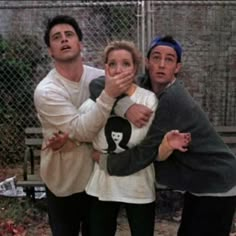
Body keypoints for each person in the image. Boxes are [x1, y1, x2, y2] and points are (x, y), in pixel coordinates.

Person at [94, 35, 236, 236]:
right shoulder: (143, 85)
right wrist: (127, 107)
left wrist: (107, 163)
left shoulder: (173, 99)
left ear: (177, 67)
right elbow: (98, 84)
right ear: (147, 62)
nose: (161, 64)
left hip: (216, 180)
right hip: (198, 183)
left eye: (169, 59)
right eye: (156, 57)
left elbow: (146, 152)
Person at [46, 40, 191, 236]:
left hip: (139, 187)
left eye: (125, 63)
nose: (118, 69)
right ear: (105, 68)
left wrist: (168, 144)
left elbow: (152, 152)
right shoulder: (97, 100)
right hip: (102, 186)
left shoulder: (148, 100)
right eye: (112, 64)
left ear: (135, 68)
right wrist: (65, 140)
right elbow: (82, 132)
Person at [33, 15, 135, 236]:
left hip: (99, 178)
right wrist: (107, 97)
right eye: (56, 37)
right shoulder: (47, 90)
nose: (64, 40)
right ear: (50, 50)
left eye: (69, 35)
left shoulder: (100, 77)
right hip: (64, 180)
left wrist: (70, 137)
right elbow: (83, 129)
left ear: (80, 43)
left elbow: (124, 122)